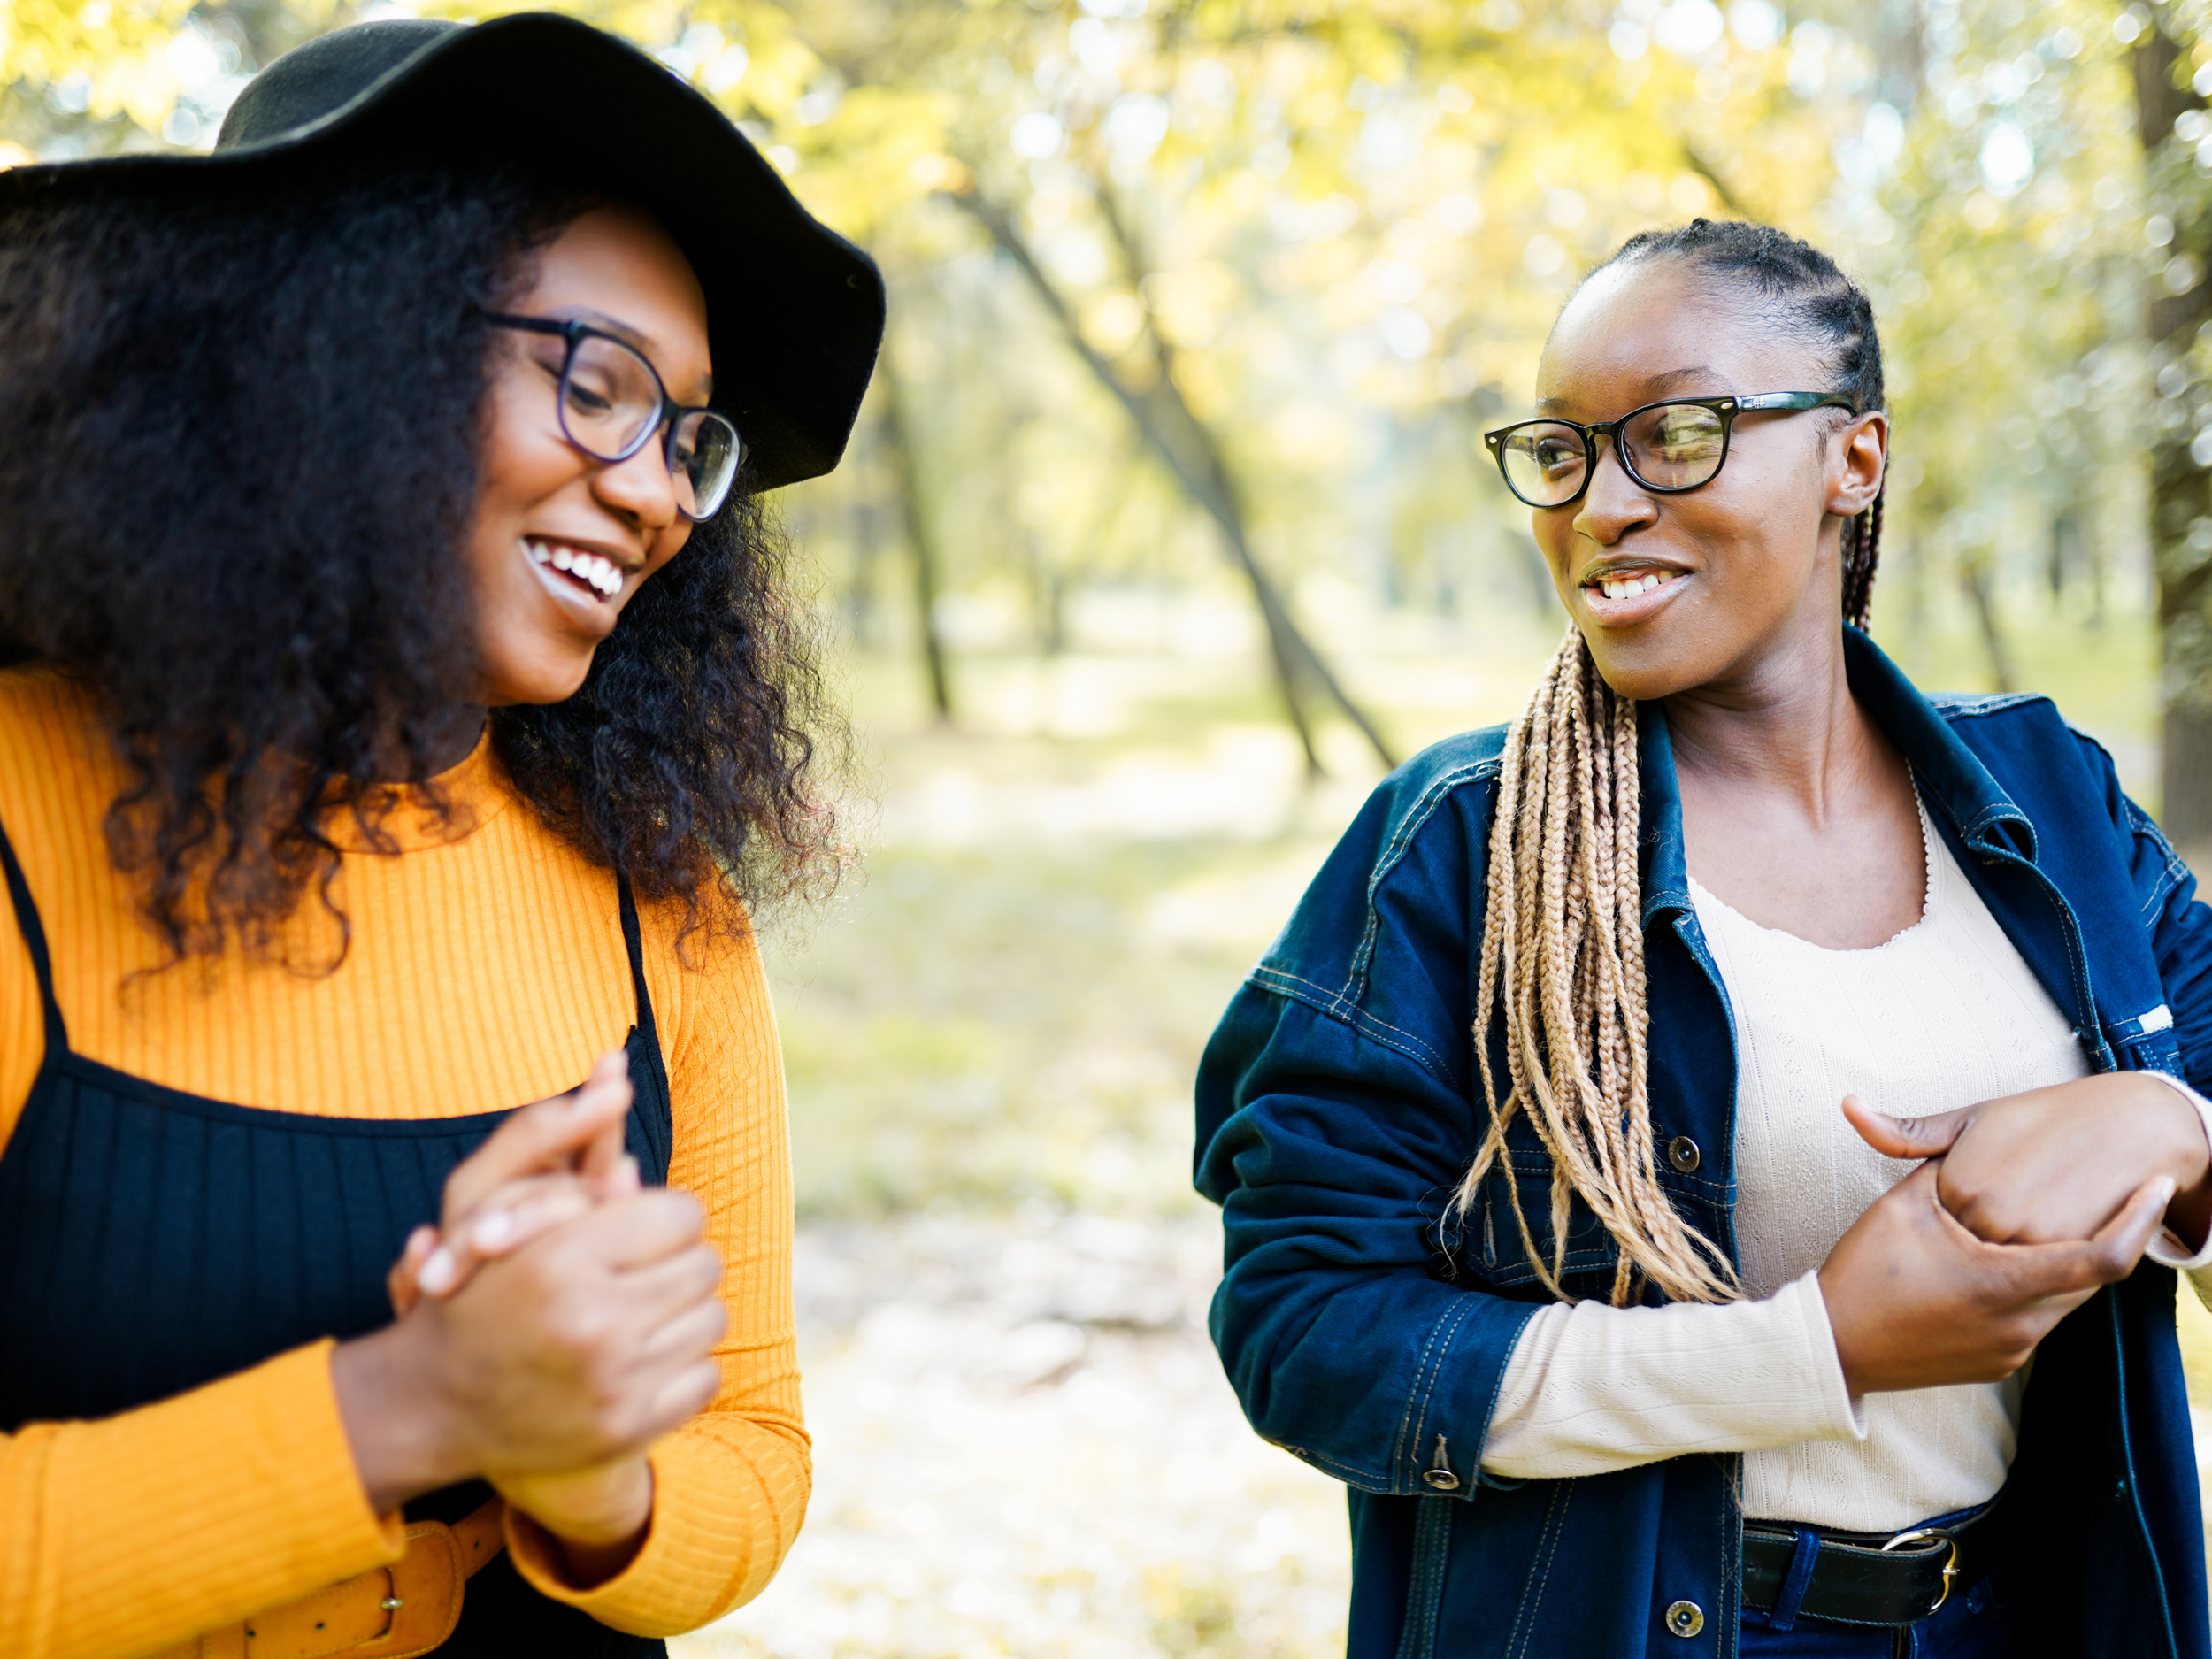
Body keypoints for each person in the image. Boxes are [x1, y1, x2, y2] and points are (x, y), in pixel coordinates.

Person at [1195, 219, 2212, 1659]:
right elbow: (1307, 1331)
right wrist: (1812, 1351)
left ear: (1854, 457)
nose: (1601, 502)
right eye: (1564, 450)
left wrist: (2175, 1128)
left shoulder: (2054, 800)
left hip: (2028, 1611)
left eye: (1676, 434)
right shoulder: (1463, 848)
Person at [0, 15, 882, 1658]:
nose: (662, 495)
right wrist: (413, 1401)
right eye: (596, 386)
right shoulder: (15, 816)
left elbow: (757, 1453)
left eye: (688, 436)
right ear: (338, 356)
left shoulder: (654, 893)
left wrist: (594, 1479)